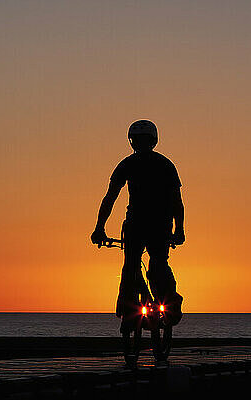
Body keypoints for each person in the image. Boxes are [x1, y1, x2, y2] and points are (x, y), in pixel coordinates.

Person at [91, 119, 185, 360]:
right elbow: (177, 202)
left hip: (138, 226)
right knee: (154, 265)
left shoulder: (129, 164)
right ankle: (167, 304)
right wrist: (179, 229)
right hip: (156, 226)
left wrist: (99, 229)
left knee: (133, 267)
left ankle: (130, 310)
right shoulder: (165, 164)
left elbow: (110, 198)